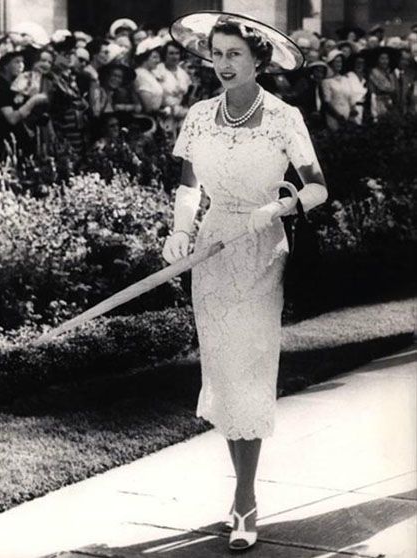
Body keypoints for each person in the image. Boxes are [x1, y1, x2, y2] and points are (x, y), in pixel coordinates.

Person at [164, 12, 327, 551]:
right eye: (218, 53)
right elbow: (189, 188)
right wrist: (180, 231)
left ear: (258, 60)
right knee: (225, 375)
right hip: (211, 253)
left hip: (260, 250)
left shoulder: (285, 117)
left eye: (235, 54)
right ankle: (242, 493)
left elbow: (318, 189)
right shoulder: (199, 115)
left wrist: (279, 206)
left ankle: (246, 499)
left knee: (250, 371)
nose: (224, 64)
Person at [154, 40, 192, 139]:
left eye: (177, 53)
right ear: (165, 55)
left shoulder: (183, 73)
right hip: (163, 114)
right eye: (171, 53)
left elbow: (186, 96)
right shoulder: (157, 71)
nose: (174, 57)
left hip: (181, 115)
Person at [321, 49, 351, 129]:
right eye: (336, 62)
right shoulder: (326, 81)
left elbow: (349, 99)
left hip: (347, 117)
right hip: (334, 118)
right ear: (331, 63)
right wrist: (338, 116)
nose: (339, 64)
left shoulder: (346, 79)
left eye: (340, 62)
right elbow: (327, 102)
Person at [368, 46, 397, 119]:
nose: (385, 61)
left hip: (391, 104)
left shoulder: (390, 73)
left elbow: (393, 89)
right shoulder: (373, 73)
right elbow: (372, 94)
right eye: (382, 59)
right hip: (378, 104)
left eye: (387, 59)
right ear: (377, 60)